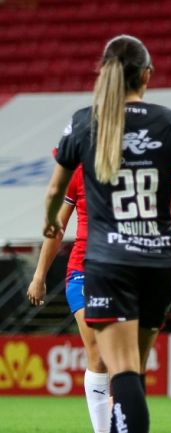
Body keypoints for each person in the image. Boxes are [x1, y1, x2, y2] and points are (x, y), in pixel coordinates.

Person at [43, 35, 171, 433]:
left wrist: (51, 219)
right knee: (135, 372)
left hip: (108, 260)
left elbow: (56, 189)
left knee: (121, 372)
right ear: (147, 75)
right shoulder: (170, 121)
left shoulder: (85, 121)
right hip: (159, 260)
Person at [28, 164, 110, 433]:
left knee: (125, 357)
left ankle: (116, 415)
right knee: (97, 351)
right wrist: (39, 276)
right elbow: (57, 227)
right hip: (83, 272)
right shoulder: (78, 171)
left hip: (124, 273)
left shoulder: (138, 165)